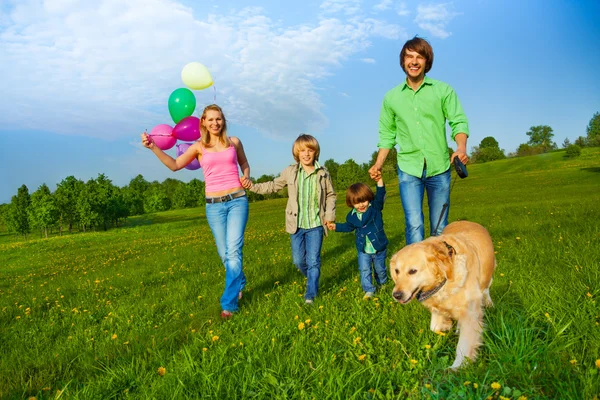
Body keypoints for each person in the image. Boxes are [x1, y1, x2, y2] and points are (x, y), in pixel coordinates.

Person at [141, 104, 250, 319]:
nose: (215, 123)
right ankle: (239, 280)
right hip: (214, 206)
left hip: (237, 200)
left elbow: (244, 163)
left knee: (234, 253)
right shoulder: (199, 147)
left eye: (218, 119)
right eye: (210, 119)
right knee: (224, 255)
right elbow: (174, 165)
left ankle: (229, 305)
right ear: (203, 122)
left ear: (223, 120)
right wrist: (153, 146)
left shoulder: (233, 142)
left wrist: (246, 175)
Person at [369, 36, 469, 245]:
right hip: (408, 169)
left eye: (419, 57)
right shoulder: (391, 98)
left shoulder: (443, 90)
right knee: (414, 224)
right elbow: (387, 135)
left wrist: (461, 147)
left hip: (439, 166)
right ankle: (416, 276)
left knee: (440, 227)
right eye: (409, 56)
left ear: (426, 62)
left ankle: (439, 274)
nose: (414, 61)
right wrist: (378, 163)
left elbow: (458, 122)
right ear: (403, 61)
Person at [241, 134, 336, 304]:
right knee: (299, 261)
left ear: (316, 153)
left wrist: (329, 216)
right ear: (296, 154)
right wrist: (252, 186)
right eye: (302, 151)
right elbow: (272, 185)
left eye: (310, 150)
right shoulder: (290, 172)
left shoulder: (323, 173)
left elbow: (331, 195)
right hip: (296, 225)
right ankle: (312, 280)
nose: (306, 154)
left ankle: (311, 294)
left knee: (314, 261)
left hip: (316, 224)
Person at [326, 176, 388, 299]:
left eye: (364, 201)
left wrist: (380, 182)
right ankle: (369, 290)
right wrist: (336, 226)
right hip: (363, 249)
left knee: (380, 269)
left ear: (369, 199)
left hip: (379, 247)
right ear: (351, 203)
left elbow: (380, 195)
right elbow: (348, 227)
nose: (361, 205)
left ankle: (383, 284)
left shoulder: (375, 208)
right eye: (357, 202)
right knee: (365, 270)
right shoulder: (351, 217)